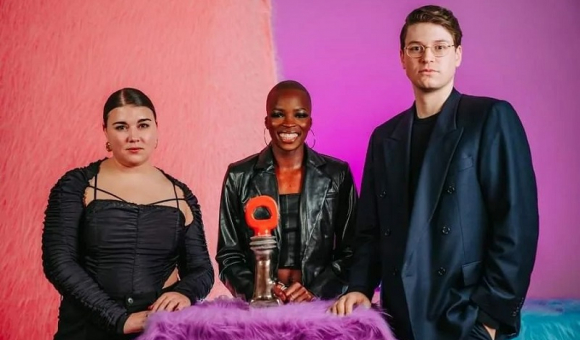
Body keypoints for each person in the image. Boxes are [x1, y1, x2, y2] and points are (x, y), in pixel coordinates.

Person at [331, 6, 539, 340]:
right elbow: (369, 231)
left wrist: (490, 319)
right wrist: (360, 287)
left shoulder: (489, 118)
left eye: (440, 47)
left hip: (464, 316)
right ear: (402, 57)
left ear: (457, 54)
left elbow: (516, 225)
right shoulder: (385, 137)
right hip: (398, 318)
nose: (428, 56)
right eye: (416, 48)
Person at [42, 88, 214, 339]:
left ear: (156, 129)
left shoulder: (181, 194)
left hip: (156, 329)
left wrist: (184, 293)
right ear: (106, 132)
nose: (134, 136)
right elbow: (59, 262)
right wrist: (117, 318)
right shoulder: (76, 185)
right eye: (121, 127)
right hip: (86, 328)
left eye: (143, 125)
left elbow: (202, 269)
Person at [216, 80, 357, 303]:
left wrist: (317, 291)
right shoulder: (238, 176)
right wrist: (260, 291)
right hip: (260, 304)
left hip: (319, 305)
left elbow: (351, 251)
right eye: (278, 115)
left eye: (300, 115)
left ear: (310, 122)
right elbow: (229, 255)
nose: (289, 123)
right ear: (267, 121)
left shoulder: (336, 175)